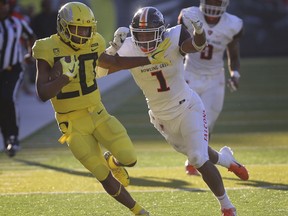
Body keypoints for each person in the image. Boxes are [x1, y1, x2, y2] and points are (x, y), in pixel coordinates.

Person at [32, 2, 170, 216]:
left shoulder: (94, 42)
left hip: (98, 112)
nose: (83, 34)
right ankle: (138, 211)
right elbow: (42, 93)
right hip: (72, 123)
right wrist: (63, 79)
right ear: (63, 27)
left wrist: (148, 59)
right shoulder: (47, 47)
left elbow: (112, 61)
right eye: (77, 28)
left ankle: (112, 160)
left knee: (129, 158)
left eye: (87, 28)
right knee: (101, 173)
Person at [102, 6, 238, 216]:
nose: (145, 39)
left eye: (150, 33)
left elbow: (197, 46)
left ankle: (227, 206)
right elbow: (98, 71)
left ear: (161, 31)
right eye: (141, 34)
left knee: (197, 157)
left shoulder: (173, 36)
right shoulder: (128, 47)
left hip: (188, 107)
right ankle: (228, 160)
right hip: (161, 117)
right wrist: (112, 50)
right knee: (200, 152)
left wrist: (199, 31)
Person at [177, 0, 248, 180]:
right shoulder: (189, 15)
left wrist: (235, 72)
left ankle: (197, 160)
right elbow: (177, 45)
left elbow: (233, 50)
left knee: (206, 124)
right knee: (185, 122)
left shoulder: (233, 24)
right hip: (189, 73)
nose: (213, 6)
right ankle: (197, 158)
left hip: (214, 78)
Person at [0, 0, 36, 157]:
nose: (2, 7)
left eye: (4, 4)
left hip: (13, 69)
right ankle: (7, 138)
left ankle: (13, 137)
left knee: (8, 98)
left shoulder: (16, 23)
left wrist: (30, 53)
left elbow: (31, 36)